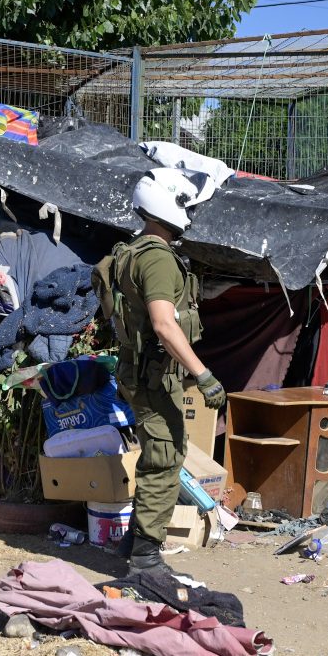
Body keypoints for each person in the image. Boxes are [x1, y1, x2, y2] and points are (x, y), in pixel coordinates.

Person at [94, 168, 226, 576]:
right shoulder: (157, 259)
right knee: (164, 459)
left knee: (158, 454)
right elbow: (165, 325)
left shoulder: (132, 250)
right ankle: (145, 559)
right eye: (188, 205)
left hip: (139, 370)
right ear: (169, 203)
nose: (191, 214)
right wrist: (203, 375)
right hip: (152, 374)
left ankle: (132, 543)